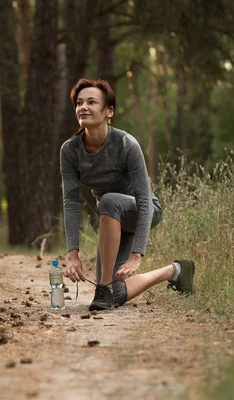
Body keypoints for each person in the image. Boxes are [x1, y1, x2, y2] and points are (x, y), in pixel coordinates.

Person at [60, 78, 195, 311]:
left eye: (92, 102)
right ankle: (177, 270)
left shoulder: (126, 144)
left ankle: (102, 288)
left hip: (143, 210)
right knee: (115, 294)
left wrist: (136, 256)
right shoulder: (70, 150)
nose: (83, 107)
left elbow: (144, 200)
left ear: (109, 111)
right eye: (79, 102)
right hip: (111, 217)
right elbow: (71, 202)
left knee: (109, 200)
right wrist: (73, 254)